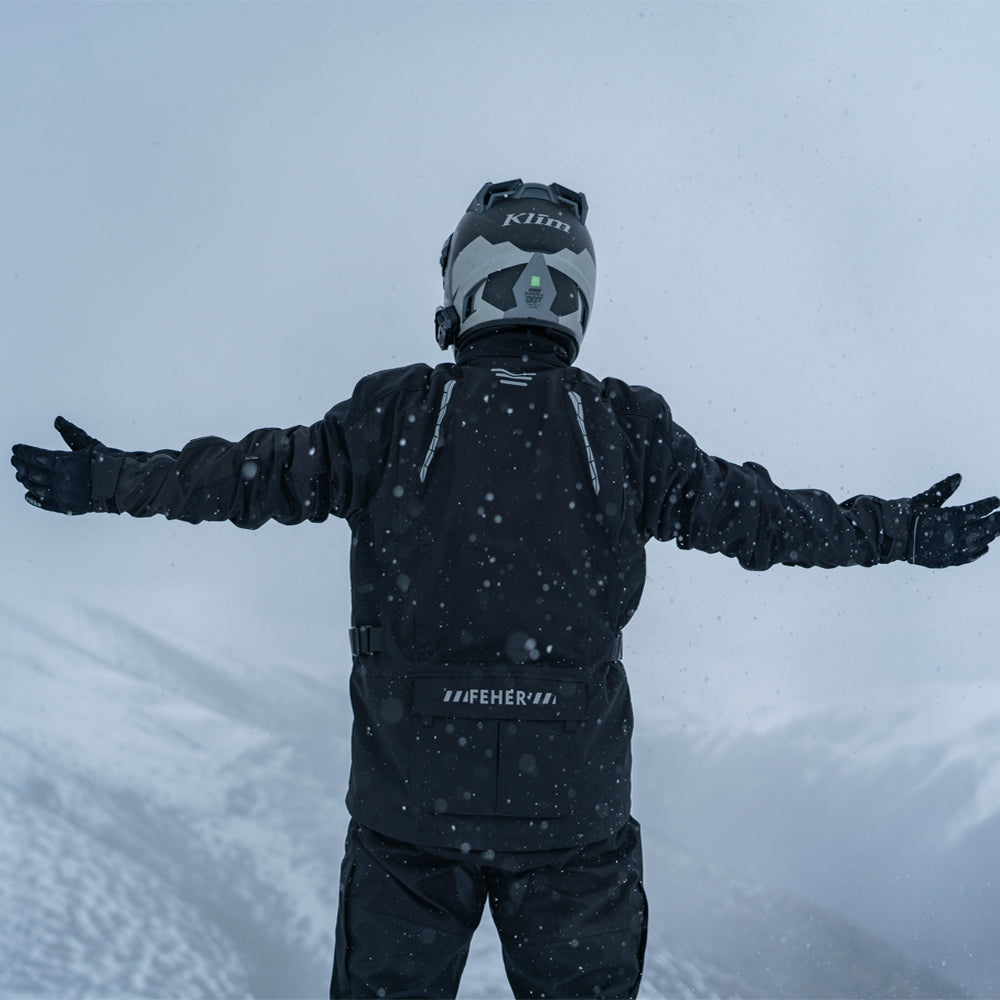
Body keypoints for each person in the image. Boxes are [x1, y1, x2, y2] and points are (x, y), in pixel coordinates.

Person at [11, 179, 1000, 1000]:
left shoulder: (398, 414)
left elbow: (247, 475)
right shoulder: (623, 429)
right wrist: (901, 530)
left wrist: (110, 480)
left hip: (410, 814)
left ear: (466, 282)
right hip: (571, 819)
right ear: (572, 298)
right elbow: (766, 517)